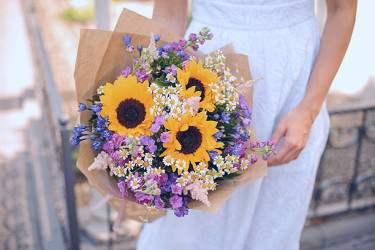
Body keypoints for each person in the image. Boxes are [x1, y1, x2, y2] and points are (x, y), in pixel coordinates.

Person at [137, 0, 357, 249]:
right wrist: (156, 96)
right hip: (203, 79)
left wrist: (309, 108)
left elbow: (343, 8)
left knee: (272, 231)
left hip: (293, 88)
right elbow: (168, 13)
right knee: (191, 231)